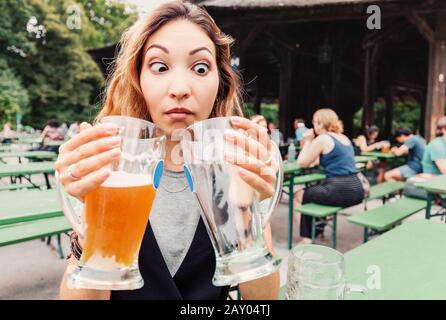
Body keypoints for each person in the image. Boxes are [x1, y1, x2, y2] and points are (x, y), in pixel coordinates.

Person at [56, 1, 279, 300]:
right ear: (138, 80)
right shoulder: (112, 165)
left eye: (200, 68)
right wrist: (88, 233)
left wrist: (250, 215)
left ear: (220, 85)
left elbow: (262, 301)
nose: (180, 88)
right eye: (159, 66)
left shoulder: (234, 166)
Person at [293, 108, 364, 244]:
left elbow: (302, 163)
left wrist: (308, 141)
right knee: (313, 192)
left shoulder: (323, 138)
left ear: (320, 123)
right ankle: (317, 230)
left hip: (339, 189)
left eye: (315, 123)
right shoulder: (344, 138)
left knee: (299, 195)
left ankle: (306, 238)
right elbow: (322, 160)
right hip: (357, 189)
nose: (314, 126)